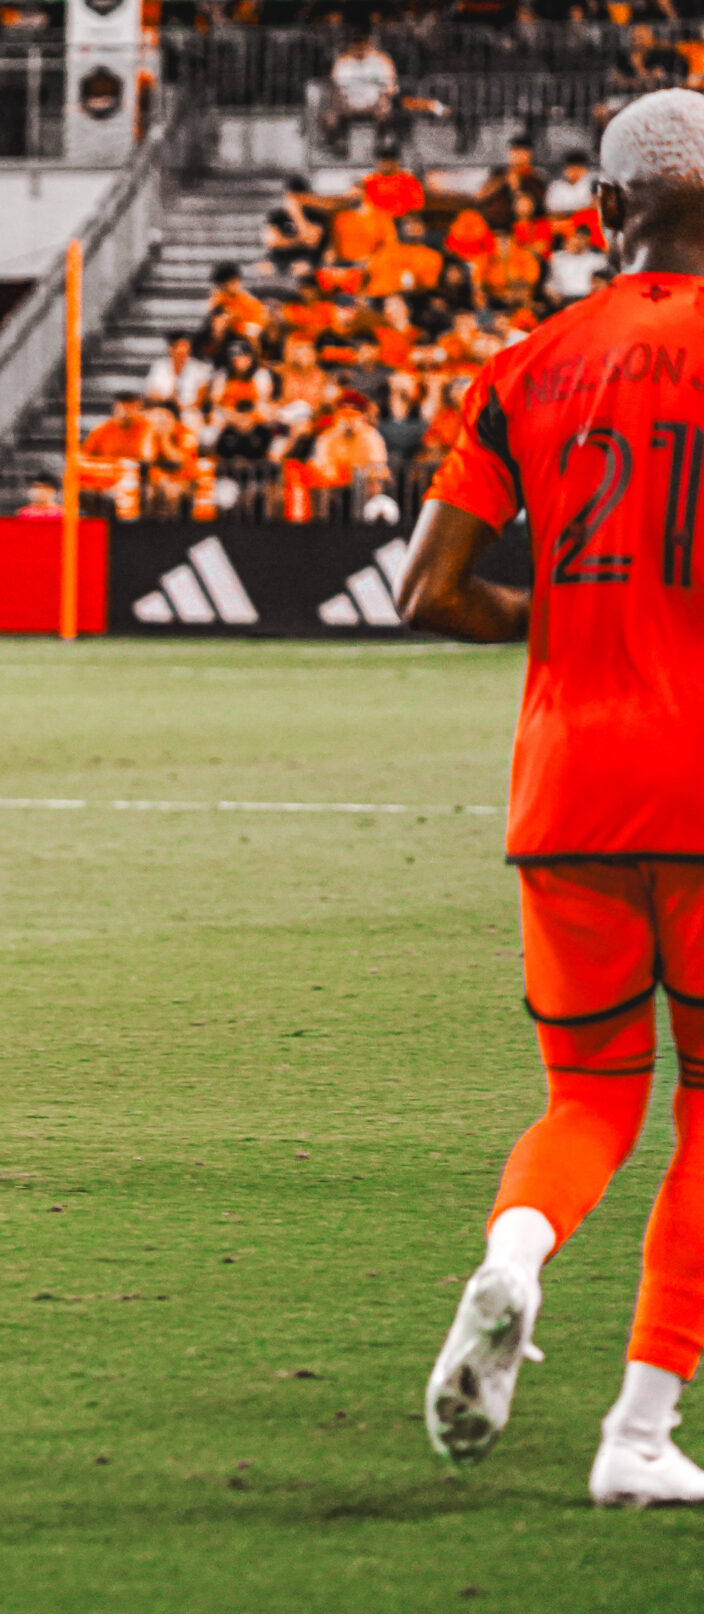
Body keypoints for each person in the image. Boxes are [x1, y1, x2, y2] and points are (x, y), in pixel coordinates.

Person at [400, 87, 704, 1508]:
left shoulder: (526, 364)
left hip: (566, 786)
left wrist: (569, 620)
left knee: (588, 1092)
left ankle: (514, 1259)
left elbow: (430, 590)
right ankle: (638, 1434)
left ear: (601, 212)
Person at [546, 219, 611, 303]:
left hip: (589, 299)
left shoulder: (598, 260)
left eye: (581, 238)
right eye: (575, 237)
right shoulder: (556, 258)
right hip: (563, 300)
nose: (577, 242)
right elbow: (548, 284)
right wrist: (551, 293)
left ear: (587, 240)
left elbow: (608, 281)